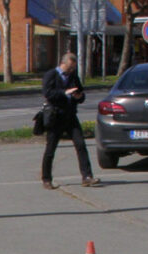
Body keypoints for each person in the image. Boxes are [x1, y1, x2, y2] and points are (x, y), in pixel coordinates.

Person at [41, 52, 100, 189]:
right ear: (63, 64)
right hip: (56, 116)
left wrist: (79, 96)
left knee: (80, 145)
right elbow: (47, 93)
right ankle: (46, 178)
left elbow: (80, 92)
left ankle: (87, 176)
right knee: (51, 149)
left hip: (70, 116)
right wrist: (64, 93)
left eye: (73, 68)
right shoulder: (51, 75)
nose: (71, 71)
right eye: (69, 68)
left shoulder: (73, 76)